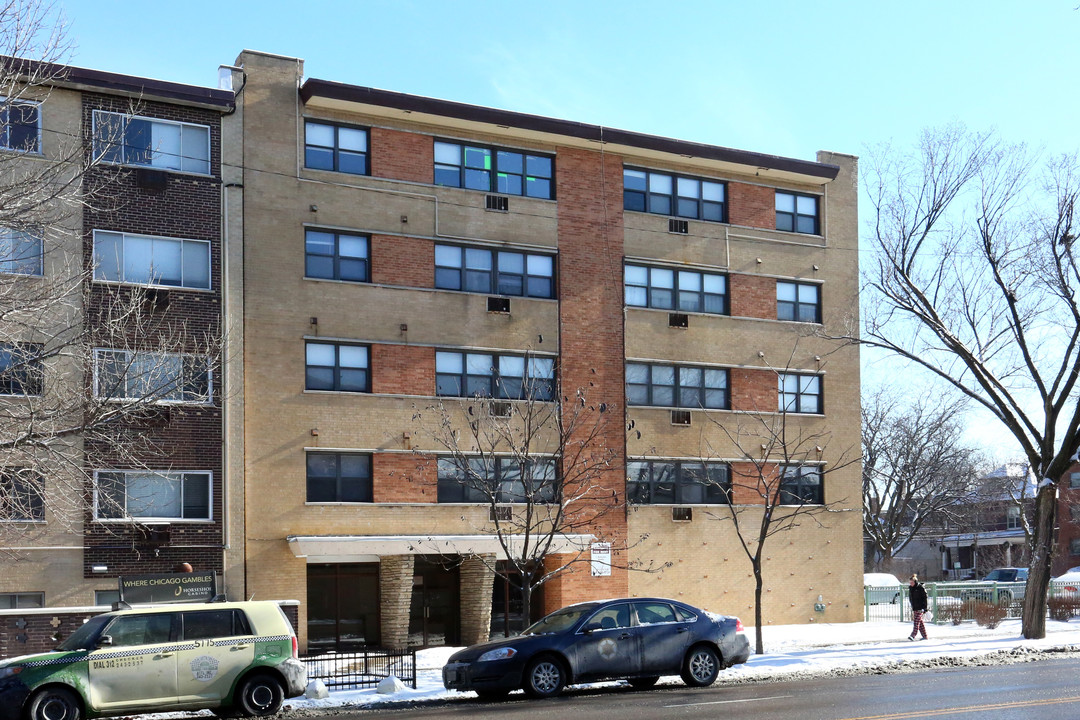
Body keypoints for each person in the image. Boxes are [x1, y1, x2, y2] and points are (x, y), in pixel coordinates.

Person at [908, 574, 928, 640]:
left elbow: (925, 598)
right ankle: (925, 636)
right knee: (920, 623)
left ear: (915, 582)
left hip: (920, 608)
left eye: (912, 582)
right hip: (915, 608)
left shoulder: (920, 588)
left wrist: (925, 608)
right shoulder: (911, 589)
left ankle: (913, 635)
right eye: (910, 582)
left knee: (916, 622)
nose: (911, 584)